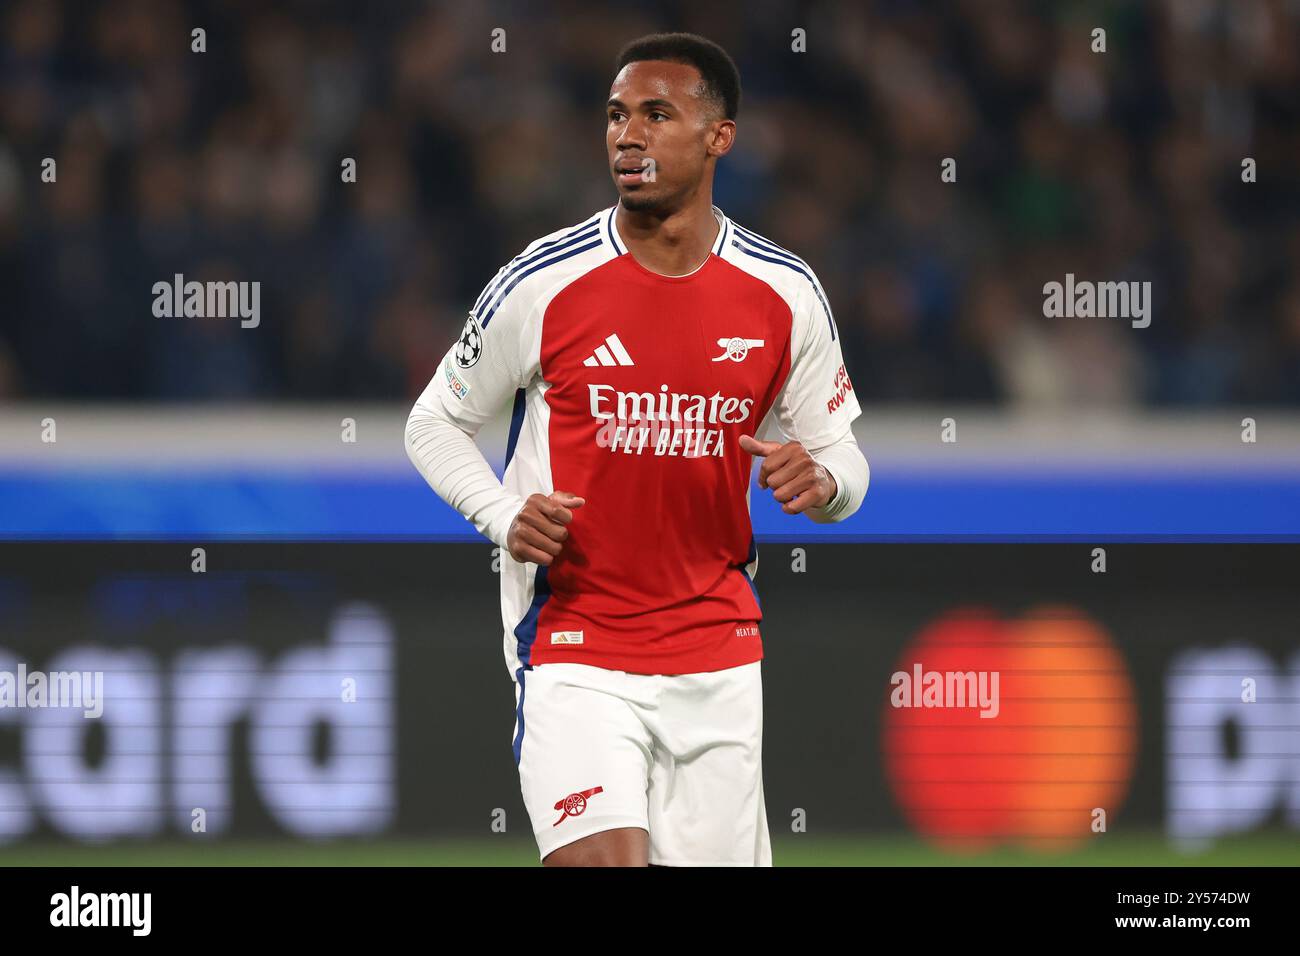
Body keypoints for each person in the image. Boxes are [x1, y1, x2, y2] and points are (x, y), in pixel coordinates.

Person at [405, 32, 868, 866]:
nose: (628, 135)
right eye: (617, 116)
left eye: (658, 115)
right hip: (575, 642)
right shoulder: (542, 281)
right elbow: (432, 422)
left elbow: (846, 461)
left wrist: (826, 481)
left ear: (719, 136)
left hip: (717, 650)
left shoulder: (784, 293)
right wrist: (502, 512)